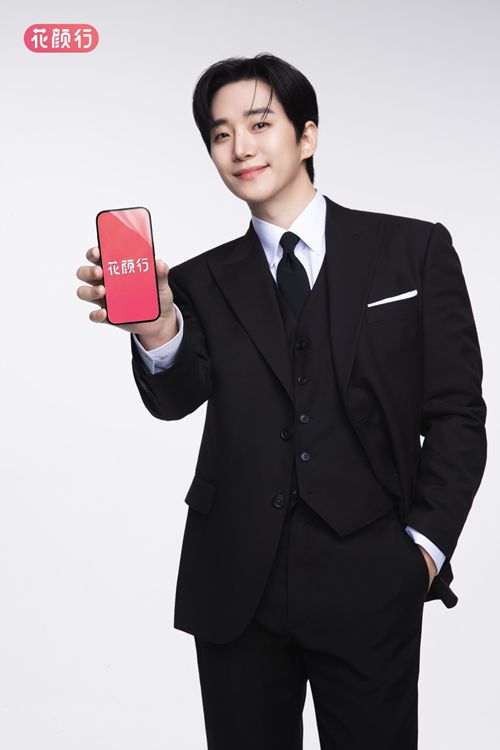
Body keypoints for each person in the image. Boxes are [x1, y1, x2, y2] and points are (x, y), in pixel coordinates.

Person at [76, 53, 487, 750]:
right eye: (220, 133)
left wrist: (422, 550)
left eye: (259, 123)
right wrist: (157, 329)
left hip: (370, 576)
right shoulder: (198, 281)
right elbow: (175, 398)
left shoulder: (412, 250)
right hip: (237, 585)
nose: (239, 146)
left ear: (307, 135)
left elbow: (457, 415)